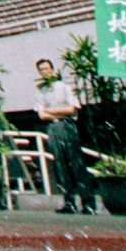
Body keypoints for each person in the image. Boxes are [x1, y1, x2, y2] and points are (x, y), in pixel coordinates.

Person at [35, 57, 95, 215]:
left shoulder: (64, 87)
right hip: (53, 128)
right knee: (60, 165)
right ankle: (69, 202)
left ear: (53, 70)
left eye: (47, 69)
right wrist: (54, 113)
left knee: (76, 164)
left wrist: (50, 111)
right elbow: (41, 115)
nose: (45, 72)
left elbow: (71, 109)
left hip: (67, 125)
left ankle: (88, 203)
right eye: (41, 70)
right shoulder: (41, 91)